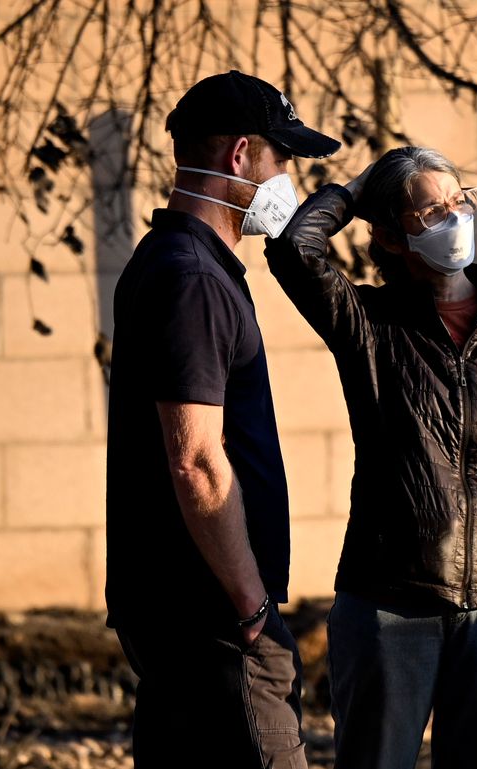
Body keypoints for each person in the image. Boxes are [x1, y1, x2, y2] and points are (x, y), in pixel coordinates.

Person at [263, 146, 477, 769]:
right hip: (389, 601)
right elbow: (296, 249)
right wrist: (360, 185)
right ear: (394, 238)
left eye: (459, 201)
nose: (454, 218)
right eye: (431, 211)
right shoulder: (369, 323)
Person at [105, 70, 341, 769]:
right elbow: (198, 461)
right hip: (212, 625)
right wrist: (252, 610)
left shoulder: (174, 262)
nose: (287, 178)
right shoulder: (194, 279)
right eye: (282, 158)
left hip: (183, 618)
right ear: (241, 156)